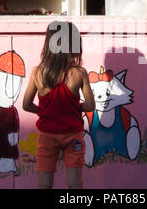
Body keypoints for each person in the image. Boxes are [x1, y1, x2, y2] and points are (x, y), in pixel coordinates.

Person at [22, 21, 95, 189]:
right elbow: (90, 105)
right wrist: (76, 108)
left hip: (47, 134)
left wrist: (44, 111)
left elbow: (26, 105)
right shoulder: (79, 73)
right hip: (73, 135)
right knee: (74, 182)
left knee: (44, 183)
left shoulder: (37, 72)